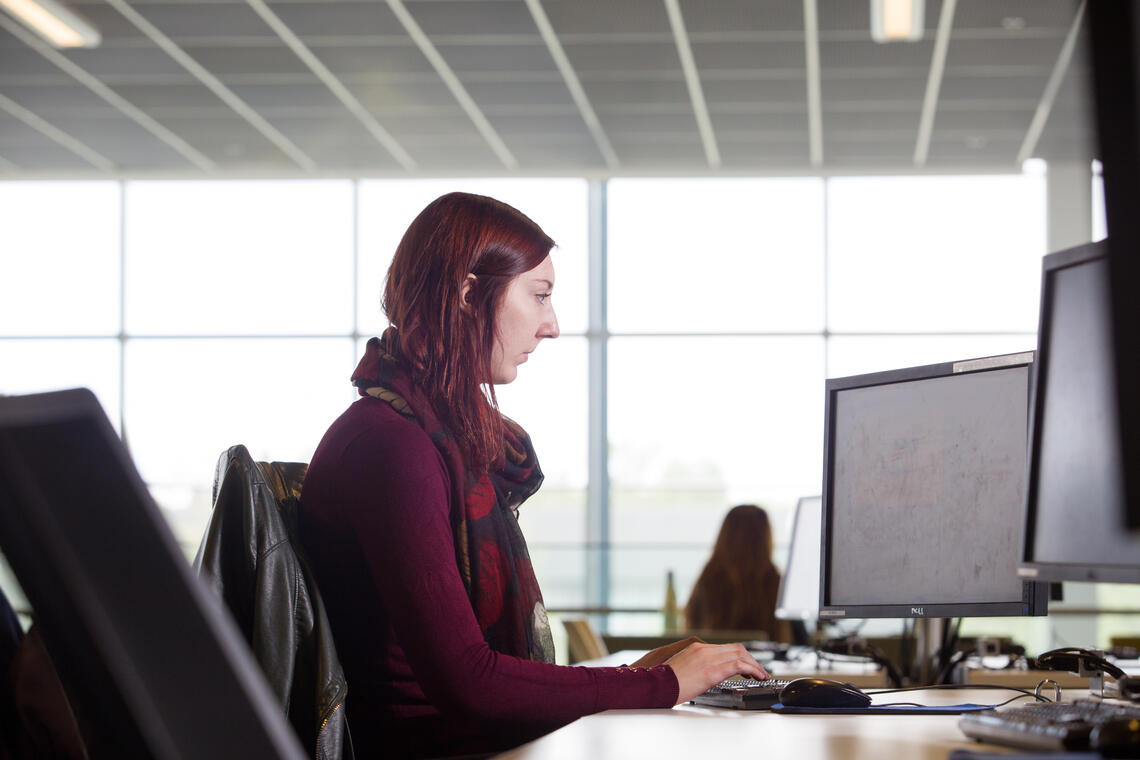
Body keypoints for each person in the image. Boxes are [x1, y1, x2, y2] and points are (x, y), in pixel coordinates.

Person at [298, 192, 768, 759]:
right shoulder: (392, 446)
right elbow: (469, 682)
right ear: (469, 294)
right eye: (540, 296)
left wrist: (641, 674)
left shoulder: (418, 434)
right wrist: (661, 684)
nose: (552, 326)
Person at [685, 504, 791, 642]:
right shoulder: (775, 581)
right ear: (765, 537)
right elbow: (795, 638)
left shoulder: (709, 578)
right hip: (766, 661)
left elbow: (691, 629)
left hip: (713, 660)